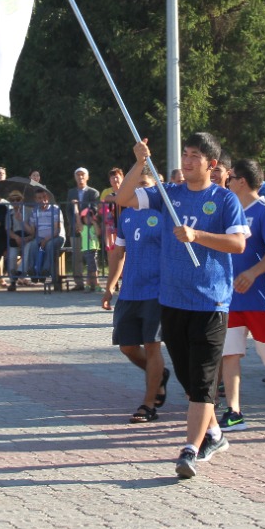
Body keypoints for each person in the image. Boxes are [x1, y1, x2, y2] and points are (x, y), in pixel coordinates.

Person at [117, 133, 248, 479]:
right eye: (185, 155)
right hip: (172, 301)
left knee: (203, 381)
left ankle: (190, 449)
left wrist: (198, 236)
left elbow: (237, 244)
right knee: (191, 380)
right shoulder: (168, 195)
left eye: (195, 156)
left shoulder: (223, 200)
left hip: (211, 302)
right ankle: (215, 434)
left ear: (212, 164)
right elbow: (124, 197)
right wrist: (140, 161)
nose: (187, 161)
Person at [219, 159, 265, 430]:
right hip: (230, 297)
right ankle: (234, 411)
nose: (227, 181)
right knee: (230, 354)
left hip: (261, 298)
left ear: (241, 181)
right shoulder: (228, 210)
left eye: (232, 177)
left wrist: (252, 273)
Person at [101, 167, 170, 423]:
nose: (138, 188)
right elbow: (119, 253)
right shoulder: (127, 215)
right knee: (128, 346)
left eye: (144, 184)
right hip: (130, 290)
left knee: (152, 345)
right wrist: (110, 286)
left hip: (156, 290)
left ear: (155, 188)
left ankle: (148, 404)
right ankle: (159, 375)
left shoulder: (164, 213)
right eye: (135, 184)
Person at [66, 167, 100, 291]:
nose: (80, 177)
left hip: (89, 229)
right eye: (78, 175)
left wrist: (84, 222)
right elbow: (68, 211)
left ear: (87, 177)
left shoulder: (93, 192)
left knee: (91, 257)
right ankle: (78, 282)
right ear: (75, 177)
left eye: (83, 175)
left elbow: (94, 209)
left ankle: (93, 282)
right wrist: (74, 224)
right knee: (76, 256)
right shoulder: (71, 192)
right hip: (75, 229)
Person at [23, 189, 64, 285]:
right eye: (39, 198)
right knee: (33, 245)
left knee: (49, 245)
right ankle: (32, 270)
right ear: (35, 200)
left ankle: (45, 270)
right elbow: (32, 231)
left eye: (44, 197)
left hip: (56, 237)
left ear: (48, 198)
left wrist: (46, 239)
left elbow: (57, 229)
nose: (42, 200)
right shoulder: (35, 211)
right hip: (40, 237)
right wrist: (22, 222)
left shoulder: (55, 209)